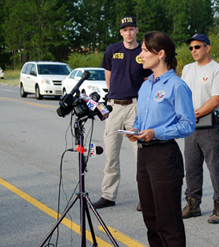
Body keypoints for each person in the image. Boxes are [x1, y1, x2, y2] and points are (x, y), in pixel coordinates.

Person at [125, 31, 195, 247]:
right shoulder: (146, 85)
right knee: (151, 219)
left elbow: (187, 124)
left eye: (145, 50)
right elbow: (141, 116)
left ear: (161, 53)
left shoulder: (177, 85)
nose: (141, 54)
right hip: (144, 154)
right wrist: (136, 128)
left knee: (168, 221)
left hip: (164, 155)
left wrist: (156, 132)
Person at [92, 16, 151, 210]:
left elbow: (145, 80)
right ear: (120, 32)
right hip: (115, 107)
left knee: (140, 154)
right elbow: (108, 75)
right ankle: (108, 195)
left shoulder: (142, 52)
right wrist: (113, 97)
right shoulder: (112, 50)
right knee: (111, 154)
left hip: (135, 107)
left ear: (136, 30)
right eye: (125, 29)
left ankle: (145, 197)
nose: (128, 32)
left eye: (131, 29)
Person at [181, 33, 219, 224]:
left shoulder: (217, 69)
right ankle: (193, 205)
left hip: (210, 125)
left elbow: (216, 99)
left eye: (197, 47)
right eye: (191, 47)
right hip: (191, 126)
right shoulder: (187, 69)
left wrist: (193, 115)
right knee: (191, 167)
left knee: (216, 168)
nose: (193, 50)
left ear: (207, 48)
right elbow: (183, 94)